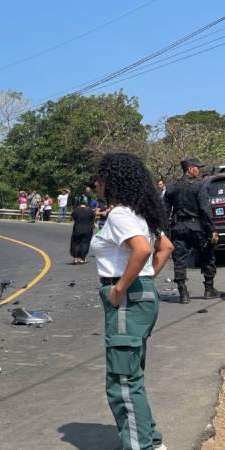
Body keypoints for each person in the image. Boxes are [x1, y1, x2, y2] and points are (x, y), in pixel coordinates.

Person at [90, 153, 173, 450]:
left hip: (126, 298)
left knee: (122, 381)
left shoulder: (120, 215)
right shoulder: (140, 214)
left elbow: (141, 250)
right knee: (131, 375)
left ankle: (141, 446)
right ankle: (150, 441)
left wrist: (120, 288)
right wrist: (146, 279)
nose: (96, 185)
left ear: (110, 181)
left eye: (99, 179)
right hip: (141, 295)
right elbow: (165, 248)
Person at [163, 157, 220, 303]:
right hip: (197, 227)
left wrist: (163, 231)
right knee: (207, 255)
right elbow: (205, 209)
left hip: (178, 228)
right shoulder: (199, 185)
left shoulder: (172, 186)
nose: (199, 171)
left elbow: (165, 210)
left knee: (179, 260)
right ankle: (209, 289)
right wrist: (212, 229)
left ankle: (183, 293)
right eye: (197, 168)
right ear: (190, 169)